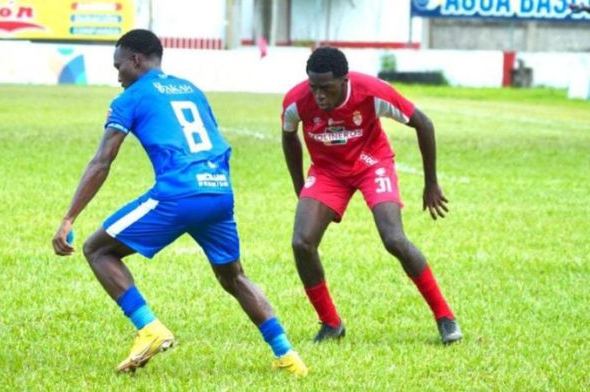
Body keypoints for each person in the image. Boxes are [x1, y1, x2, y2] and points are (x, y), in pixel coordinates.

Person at [52, 29, 307, 376]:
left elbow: (102, 161)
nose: (117, 76)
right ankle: (289, 358)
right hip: (219, 191)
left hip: (178, 194)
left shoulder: (130, 98)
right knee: (234, 276)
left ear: (136, 60)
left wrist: (69, 218)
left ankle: (149, 329)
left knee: (97, 249)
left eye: (119, 66)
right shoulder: (191, 90)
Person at [281, 46, 463, 345]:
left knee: (394, 239)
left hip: (371, 163)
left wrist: (431, 183)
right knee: (302, 242)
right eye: (314, 87)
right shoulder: (296, 100)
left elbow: (424, 123)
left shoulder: (372, 92)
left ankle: (445, 317)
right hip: (327, 171)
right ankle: (331, 324)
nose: (319, 96)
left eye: (326, 88)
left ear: (344, 80)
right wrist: (300, 187)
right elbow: (289, 136)